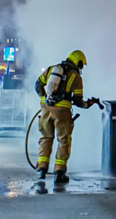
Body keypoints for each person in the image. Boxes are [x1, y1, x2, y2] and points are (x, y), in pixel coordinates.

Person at [35, 50, 97, 183]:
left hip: (46, 109)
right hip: (62, 111)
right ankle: (59, 172)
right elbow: (79, 101)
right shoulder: (76, 77)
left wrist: (44, 99)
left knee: (46, 138)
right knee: (64, 141)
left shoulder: (51, 69)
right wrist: (88, 104)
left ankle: (41, 169)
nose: (81, 68)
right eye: (81, 65)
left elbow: (38, 85)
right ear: (78, 62)